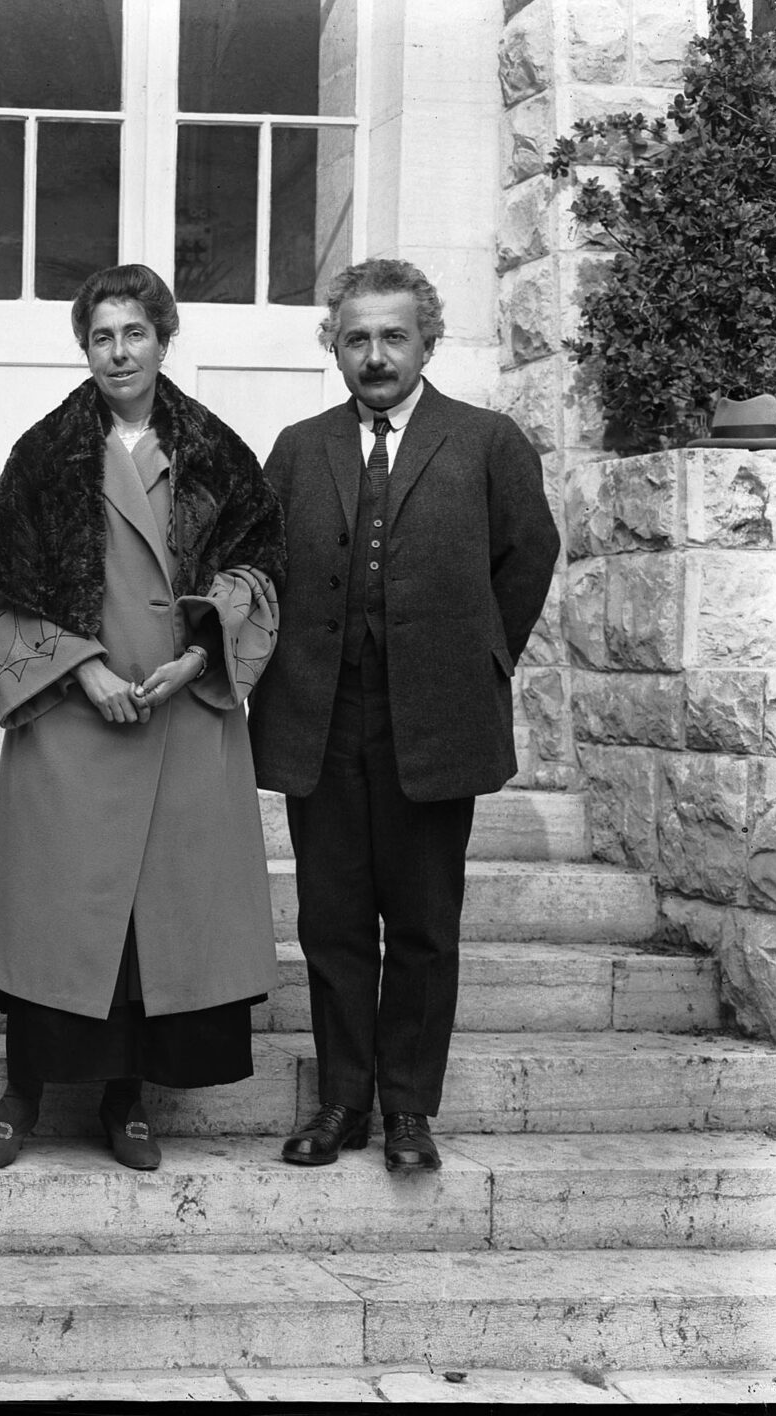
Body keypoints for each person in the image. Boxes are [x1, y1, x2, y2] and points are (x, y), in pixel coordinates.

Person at [0, 264, 285, 1172]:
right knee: (53, 915)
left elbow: (260, 570)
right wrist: (81, 667)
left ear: (163, 338)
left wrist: (199, 654)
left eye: (135, 333)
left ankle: (126, 1102)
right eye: (102, 337)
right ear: (84, 348)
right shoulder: (45, 451)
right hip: (73, 717)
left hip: (179, 717)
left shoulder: (213, 447)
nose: (119, 351)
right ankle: (20, 1093)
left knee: (150, 930)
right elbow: (1, 586)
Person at [249, 258, 559, 1174]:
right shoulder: (300, 448)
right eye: (357, 338)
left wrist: (478, 658)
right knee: (332, 919)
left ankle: (410, 1109)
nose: (375, 354)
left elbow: (527, 556)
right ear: (334, 349)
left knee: (423, 922)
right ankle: (343, 1101)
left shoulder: (486, 441)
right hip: (322, 716)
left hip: (435, 719)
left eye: (393, 336)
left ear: (429, 339)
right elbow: (262, 569)